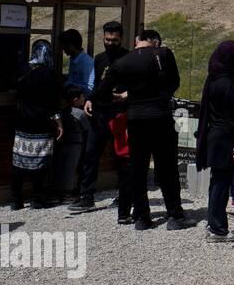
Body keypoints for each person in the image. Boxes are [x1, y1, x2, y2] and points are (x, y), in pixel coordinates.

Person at [96, 28, 185, 229]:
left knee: (138, 168)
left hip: (136, 119)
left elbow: (102, 92)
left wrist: (123, 97)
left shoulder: (122, 63)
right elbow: (175, 82)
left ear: (137, 42)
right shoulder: (163, 54)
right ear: (153, 41)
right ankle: (175, 216)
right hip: (161, 116)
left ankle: (142, 218)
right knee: (167, 168)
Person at [76, 21, 132, 215]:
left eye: (114, 40)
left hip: (119, 113)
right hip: (99, 113)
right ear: (103, 38)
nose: (110, 43)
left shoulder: (128, 58)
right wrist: (89, 100)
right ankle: (86, 196)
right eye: (107, 39)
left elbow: (137, 84)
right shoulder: (99, 58)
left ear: (121, 39)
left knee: (121, 158)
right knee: (91, 154)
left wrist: (124, 96)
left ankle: (124, 195)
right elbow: (95, 83)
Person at [195, 41, 234, 243]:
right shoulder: (227, 84)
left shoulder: (214, 79)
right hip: (225, 138)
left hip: (214, 135)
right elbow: (233, 121)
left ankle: (213, 222)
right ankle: (218, 229)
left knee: (217, 183)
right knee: (221, 185)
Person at [10, 40, 63, 210]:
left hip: (22, 122)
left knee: (19, 162)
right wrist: (59, 122)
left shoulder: (22, 69)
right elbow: (52, 102)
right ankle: (37, 199)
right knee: (40, 163)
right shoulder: (48, 73)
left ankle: (16, 200)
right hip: (41, 124)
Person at [53, 84, 92, 199]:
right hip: (76, 144)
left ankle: (58, 189)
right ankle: (67, 192)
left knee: (61, 166)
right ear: (76, 100)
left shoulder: (62, 112)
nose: (84, 98)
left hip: (63, 142)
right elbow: (87, 128)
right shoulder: (80, 114)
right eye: (82, 97)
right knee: (71, 168)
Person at [58, 29, 94, 97]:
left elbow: (89, 88)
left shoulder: (86, 62)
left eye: (63, 45)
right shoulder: (73, 59)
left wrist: (70, 85)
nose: (62, 48)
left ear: (70, 45)